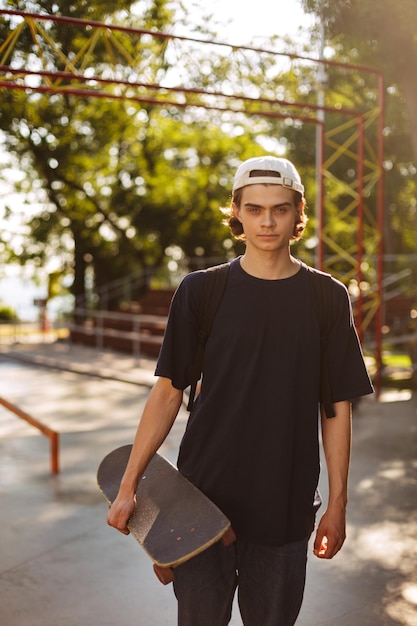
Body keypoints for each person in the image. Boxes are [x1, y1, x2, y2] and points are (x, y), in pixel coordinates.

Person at [107, 155, 374, 625]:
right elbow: (168, 393)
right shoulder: (201, 291)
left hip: (284, 506)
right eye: (254, 209)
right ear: (236, 212)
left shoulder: (326, 297)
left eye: (279, 209)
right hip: (200, 505)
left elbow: (335, 408)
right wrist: (129, 487)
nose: (267, 221)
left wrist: (337, 504)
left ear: (297, 214)